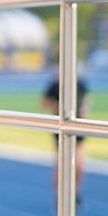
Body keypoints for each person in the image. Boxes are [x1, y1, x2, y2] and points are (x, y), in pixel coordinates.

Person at [41, 75, 89, 208]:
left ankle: (76, 192)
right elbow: (43, 103)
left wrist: (84, 113)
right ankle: (58, 195)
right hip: (61, 128)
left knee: (79, 164)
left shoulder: (79, 82)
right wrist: (60, 107)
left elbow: (86, 98)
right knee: (61, 164)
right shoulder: (55, 84)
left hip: (78, 127)